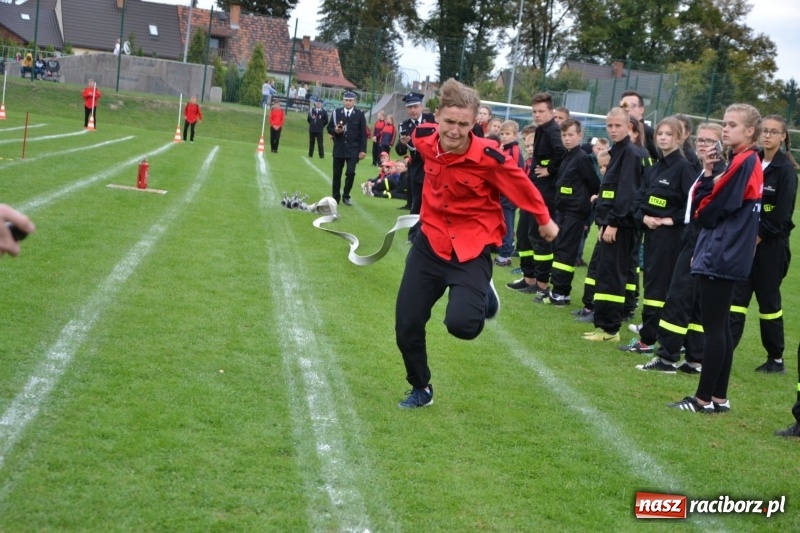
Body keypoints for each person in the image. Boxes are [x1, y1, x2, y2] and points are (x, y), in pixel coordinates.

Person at [394, 78, 559, 409]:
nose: (455, 131)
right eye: (449, 122)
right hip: (429, 244)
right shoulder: (424, 137)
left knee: (462, 327)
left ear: (476, 124)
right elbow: (411, 144)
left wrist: (544, 219)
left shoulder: (488, 155)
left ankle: (484, 294)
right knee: (406, 324)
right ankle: (421, 387)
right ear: (437, 116)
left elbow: (521, 185)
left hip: (470, 249)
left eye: (464, 124)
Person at [669, 103, 763, 414]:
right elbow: (708, 200)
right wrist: (709, 174)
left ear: (750, 131)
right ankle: (718, 398)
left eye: (732, 125)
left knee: (713, 328)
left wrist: (707, 190)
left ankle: (702, 399)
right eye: (724, 123)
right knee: (719, 326)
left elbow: (709, 210)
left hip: (722, 252)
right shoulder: (740, 160)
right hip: (726, 251)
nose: (725, 129)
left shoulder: (745, 161)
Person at [635, 123, 726, 373]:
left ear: (721, 145)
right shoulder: (702, 172)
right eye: (700, 140)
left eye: (710, 141)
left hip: (696, 242)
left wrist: (676, 225)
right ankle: (694, 358)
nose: (703, 145)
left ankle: (666, 358)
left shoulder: (716, 172)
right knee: (693, 301)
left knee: (678, 299)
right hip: (691, 239)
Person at [621, 117, 696, 356]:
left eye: (668, 134)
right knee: (652, 287)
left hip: (672, 239)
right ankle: (650, 336)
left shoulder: (684, 168)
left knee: (658, 289)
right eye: (660, 134)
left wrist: (669, 219)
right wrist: (644, 218)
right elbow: (639, 200)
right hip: (651, 236)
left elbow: (693, 206)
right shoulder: (655, 167)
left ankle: (648, 340)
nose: (663, 137)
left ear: (679, 138)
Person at [729, 114, 798, 374]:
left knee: (769, 303)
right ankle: (726, 349)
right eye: (764, 131)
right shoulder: (752, 160)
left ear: (783, 137)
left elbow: (781, 216)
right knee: (736, 299)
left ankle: (775, 358)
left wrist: (757, 237)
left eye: (773, 132)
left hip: (771, 248)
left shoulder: (786, 170)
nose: (767, 135)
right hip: (747, 245)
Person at [577, 107, 646, 341]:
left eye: (618, 126)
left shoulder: (631, 153)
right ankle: (603, 324)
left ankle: (610, 329)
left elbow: (627, 193)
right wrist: (604, 221)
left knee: (613, 274)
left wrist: (614, 223)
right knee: (606, 273)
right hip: (610, 222)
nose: (614, 130)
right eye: (610, 125)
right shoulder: (616, 152)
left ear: (629, 127)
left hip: (621, 225)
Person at [508, 92, 565, 297]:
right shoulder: (540, 130)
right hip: (533, 188)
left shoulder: (553, 131)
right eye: (534, 111)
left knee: (538, 236)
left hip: (546, 193)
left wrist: (550, 169)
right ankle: (528, 277)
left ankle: (541, 283)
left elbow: (562, 153)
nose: (537, 115)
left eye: (541, 111)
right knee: (523, 234)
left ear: (551, 112)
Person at [543, 118, 600, 305]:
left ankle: (560, 293)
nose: (567, 139)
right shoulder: (567, 156)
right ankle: (558, 290)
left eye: (570, 135)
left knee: (565, 252)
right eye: (564, 135)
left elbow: (594, 184)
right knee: (559, 250)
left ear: (579, 135)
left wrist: (583, 202)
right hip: (563, 211)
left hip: (575, 213)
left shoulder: (582, 158)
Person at [395, 91, 436, 227]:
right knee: (417, 200)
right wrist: (402, 142)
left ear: (421, 106)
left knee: (433, 201)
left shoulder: (432, 119)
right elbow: (400, 151)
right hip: (418, 167)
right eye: (410, 107)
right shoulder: (405, 126)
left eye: (416, 106)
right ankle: (414, 233)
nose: (413, 110)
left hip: (435, 166)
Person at [327, 90, 367, 206]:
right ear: (343, 100)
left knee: (350, 173)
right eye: (346, 100)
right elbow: (329, 127)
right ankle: (335, 197)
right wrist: (335, 130)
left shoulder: (359, 115)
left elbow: (363, 134)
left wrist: (363, 150)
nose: (348, 102)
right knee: (337, 174)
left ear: (354, 101)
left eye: (350, 100)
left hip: (353, 149)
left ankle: (346, 195)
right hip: (339, 148)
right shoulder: (336, 112)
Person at [495, 120, 525, 267]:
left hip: (509, 195)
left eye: (507, 134)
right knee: (502, 224)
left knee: (507, 225)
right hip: (503, 193)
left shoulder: (514, 151)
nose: (504, 136)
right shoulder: (505, 149)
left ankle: (505, 255)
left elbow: (513, 173)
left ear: (515, 135)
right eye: (502, 134)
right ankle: (502, 251)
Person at [620, 90, 658, 162]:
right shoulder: (619, 132)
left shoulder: (649, 132)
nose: (627, 109)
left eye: (632, 106)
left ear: (641, 110)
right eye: (624, 106)